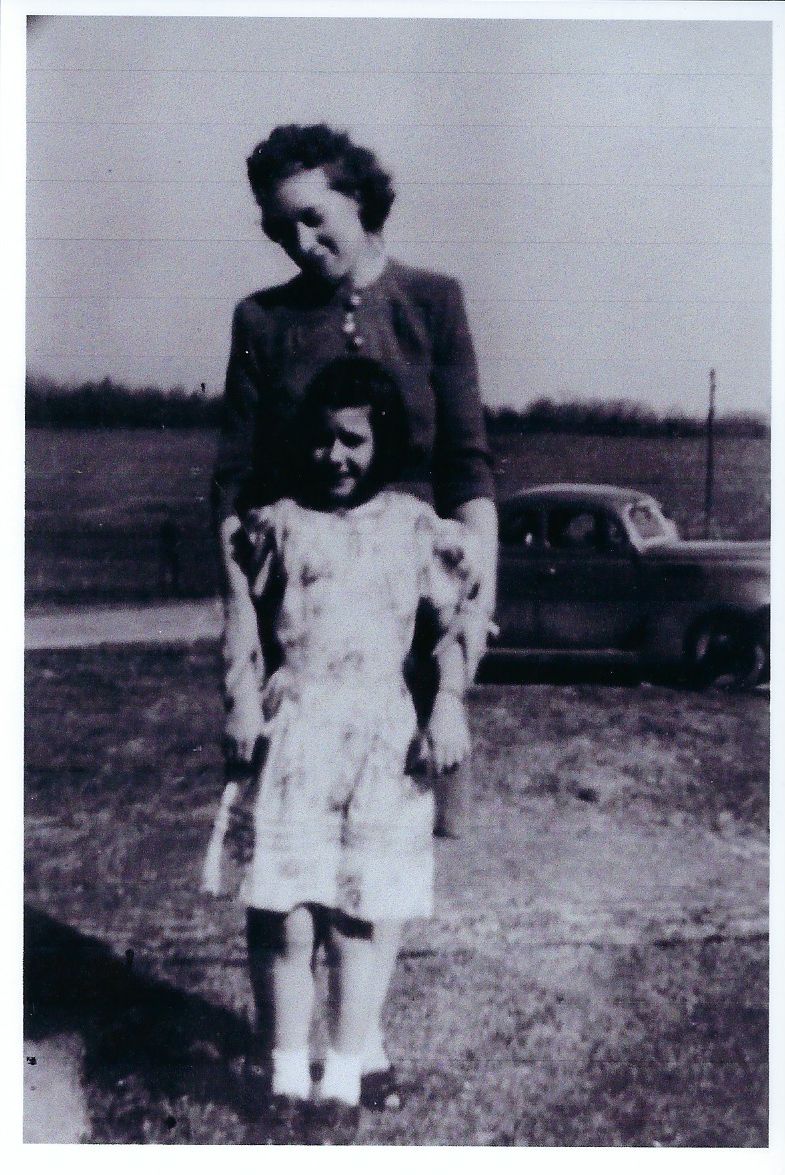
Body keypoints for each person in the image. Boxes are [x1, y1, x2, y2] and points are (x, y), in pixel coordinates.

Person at [210, 122, 498, 1111]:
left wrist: (464, 633)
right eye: (279, 227)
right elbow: (235, 495)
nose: (298, 244)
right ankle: (292, 1056)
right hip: (302, 606)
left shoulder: (433, 302)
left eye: (313, 218)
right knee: (292, 853)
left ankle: (357, 1044)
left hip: (411, 603)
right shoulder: (261, 320)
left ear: (359, 200)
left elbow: (466, 468)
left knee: (387, 831)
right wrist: (241, 664)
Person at [203, 358, 480, 1141]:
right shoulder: (282, 522)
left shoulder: (414, 526)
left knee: (360, 918)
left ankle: (341, 1075)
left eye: (353, 439)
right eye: (322, 439)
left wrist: (449, 704)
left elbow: (455, 625)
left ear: (382, 441)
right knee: (285, 916)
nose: (335, 456)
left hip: (383, 743)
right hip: (296, 736)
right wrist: (241, 697)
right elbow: (244, 620)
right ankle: (286, 1071)